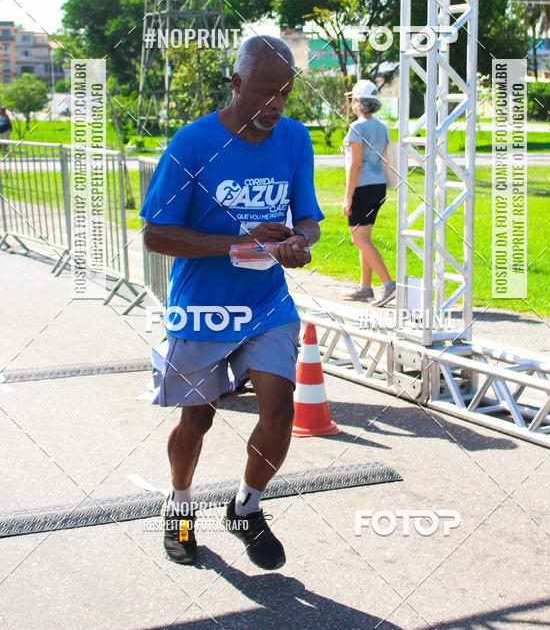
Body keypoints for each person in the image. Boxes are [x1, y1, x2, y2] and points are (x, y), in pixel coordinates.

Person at [141, 35, 324, 570]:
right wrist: (237, 244)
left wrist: (297, 241)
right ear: (236, 83)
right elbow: (155, 235)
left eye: (285, 95)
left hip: (267, 301)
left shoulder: (294, 139)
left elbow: (308, 216)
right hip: (204, 307)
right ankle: (178, 507)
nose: (275, 106)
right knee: (197, 420)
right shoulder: (192, 143)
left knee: (280, 409)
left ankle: (246, 507)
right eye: (265, 92)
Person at [341, 79, 395, 307]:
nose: (351, 102)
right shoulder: (381, 127)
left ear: (359, 103)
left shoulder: (357, 128)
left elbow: (355, 165)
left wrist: (347, 196)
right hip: (378, 186)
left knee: (359, 239)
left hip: (362, 187)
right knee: (365, 238)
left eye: (353, 99)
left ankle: (389, 284)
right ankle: (365, 287)